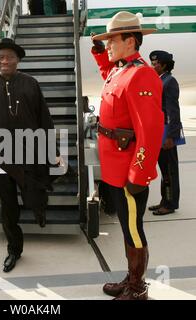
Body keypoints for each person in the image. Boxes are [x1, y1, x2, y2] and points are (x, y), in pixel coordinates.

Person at [91, 11, 164, 299]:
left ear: (130, 41)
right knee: (125, 227)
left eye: (112, 40)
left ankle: (137, 288)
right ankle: (130, 277)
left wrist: (140, 173)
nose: (107, 45)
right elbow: (112, 82)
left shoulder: (141, 74)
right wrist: (100, 56)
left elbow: (150, 130)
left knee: (133, 230)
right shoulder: (121, 70)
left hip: (129, 170)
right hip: (115, 166)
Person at [0, 38, 59, 273]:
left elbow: (45, 119)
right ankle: (14, 249)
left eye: (9, 57)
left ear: (17, 60)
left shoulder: (31, 84)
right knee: (8, 204)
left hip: (30, 152)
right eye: (0, 57)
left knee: (35, 193)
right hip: (0, 157)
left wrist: (52, 152)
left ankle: (39, 211)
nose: (4, 61)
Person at [148, 51, 182, 215]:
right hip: (159, 132)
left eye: (156, 64)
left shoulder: (169, 82)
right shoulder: (161, 80)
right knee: (164, 170)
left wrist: (171, 136)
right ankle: (164, 200)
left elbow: (173, 112)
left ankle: (170, 204)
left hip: (166, 133)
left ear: (164, 65)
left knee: (169, 171)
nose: (153, 66)